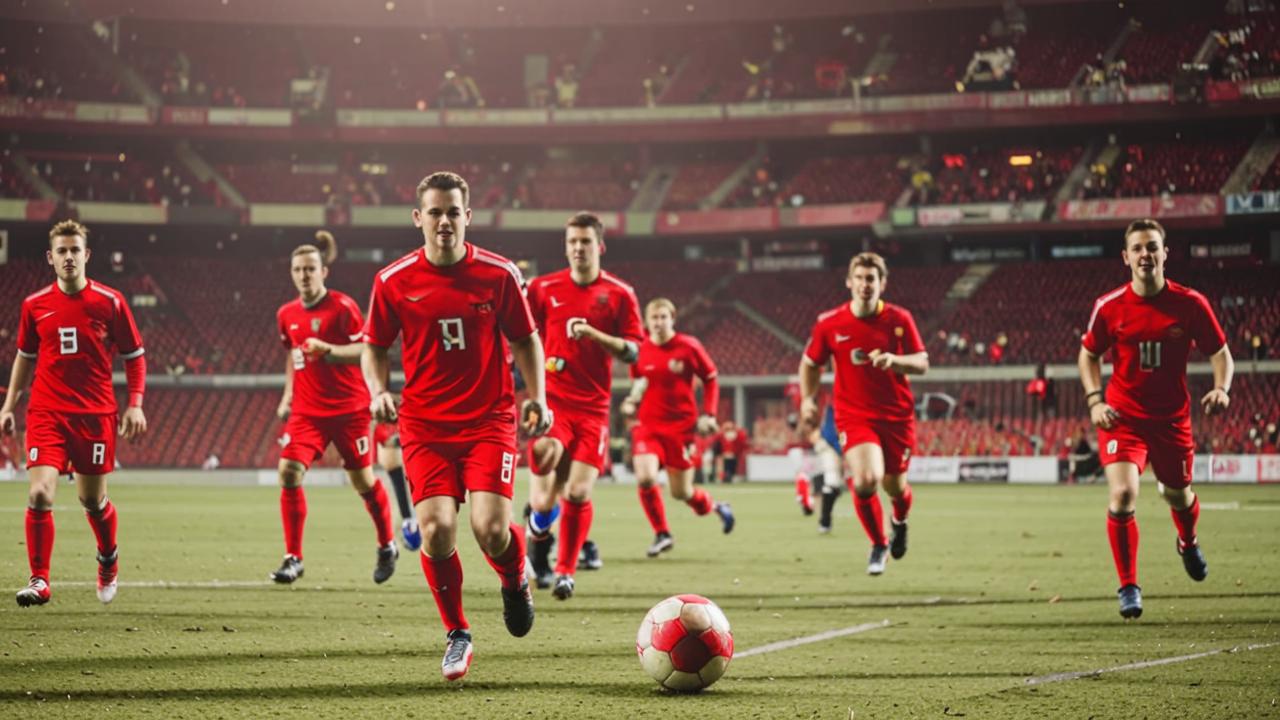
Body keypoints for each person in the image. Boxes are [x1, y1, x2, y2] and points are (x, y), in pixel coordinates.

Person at [362, 171, 551, 681]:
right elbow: (373, 346)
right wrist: (379, 390)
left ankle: (515, 577)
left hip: (490, 419)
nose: (444, 221)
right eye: (435, 212)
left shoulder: (500, 274)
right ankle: (458, 633)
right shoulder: (393, 281)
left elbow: (526, 340)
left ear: (467, 216)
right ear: (418, 218)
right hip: (423, 425)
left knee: (490, 530)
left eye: (453, 212)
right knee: (436, 530)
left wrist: (539, 397)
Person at [1078, 218, 1232, 619]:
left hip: (1171, 420)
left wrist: (1221, 388)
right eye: (1138, 248)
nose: (1145, 254)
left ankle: (1188, 540)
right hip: (1123, 417)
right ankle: (1128, 586)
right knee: (1123, 495)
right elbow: (1088, 354)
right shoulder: (1109, 307)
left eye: (1152, 246)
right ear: (1126, 257)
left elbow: (1221, 354)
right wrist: (1095, 400)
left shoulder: (1191, 304)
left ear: (1165, 253)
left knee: (1176, 494)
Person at [1, 220, 148, 607]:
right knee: (38, 493)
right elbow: (24, 357)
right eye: (61, 251)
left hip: (96, 414)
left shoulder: (110, 302)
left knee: (93, 502)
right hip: (47, 411)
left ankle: (108, 558)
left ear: (87, 255)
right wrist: (9, 405)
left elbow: (135, 357)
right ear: (51, 258)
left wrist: (135, 403)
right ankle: (40, 580)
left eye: (75, 250)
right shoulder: (34, 306)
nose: (69, 257)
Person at [524, 212, 643, 600]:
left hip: (593, 410)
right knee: (542, 498)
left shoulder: (620, 294)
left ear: (600, 246)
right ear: (566, 246)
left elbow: (633, 350)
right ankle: (537, 542)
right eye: (572, 241)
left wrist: (595, 335)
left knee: (576, 493)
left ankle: (565, 571)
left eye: (586, 242)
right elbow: (522, 336)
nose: (578, 248)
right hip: (552, 405)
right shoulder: (543, 288)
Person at [272, 230, 397, 585]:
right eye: (298, 269)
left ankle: (387, 544)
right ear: (292, 273)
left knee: (362, 480)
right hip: (308, 412)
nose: (304, 275)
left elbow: (368, 349)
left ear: (323, 271)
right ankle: (293, 557)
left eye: (311, 268)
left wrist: (328, 349)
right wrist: (287, 396)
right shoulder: (286, 314)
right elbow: (292, 356)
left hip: (350, 410)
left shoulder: (343, 307)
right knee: (288, 472)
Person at [799, 252, 928, 576]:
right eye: (859, 278)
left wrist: (895, 361)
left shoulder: (900, 319)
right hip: (854, 414)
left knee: (896, 487)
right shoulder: (829, 323)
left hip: (896, 415)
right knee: (866, 481)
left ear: (882, 283)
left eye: (871, 279)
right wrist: (807, 398)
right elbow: (810, 363)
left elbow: (922, 362)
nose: (864, 284)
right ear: (849, 282)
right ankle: (879, 542)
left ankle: (899, 521)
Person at [621, 298, 735, 558]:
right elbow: (640, 383)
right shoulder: (639, 351)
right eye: (654, 318)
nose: (659, 322)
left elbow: (711, 378)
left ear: (673, 319)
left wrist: (709, 414)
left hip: (681, 429)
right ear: (646, 323)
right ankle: (662, 533)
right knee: (646, 476)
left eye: (663, 317)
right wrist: (631, 401)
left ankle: (716, 507)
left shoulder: (689, 346)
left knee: (681, 492)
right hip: (648, 426)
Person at [374, 420, 423, 551]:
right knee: (398, 490)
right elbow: (385, 439)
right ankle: (407, 529)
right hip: (394, 447)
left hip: (406, 437)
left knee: (407, 490)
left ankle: (411, 526)